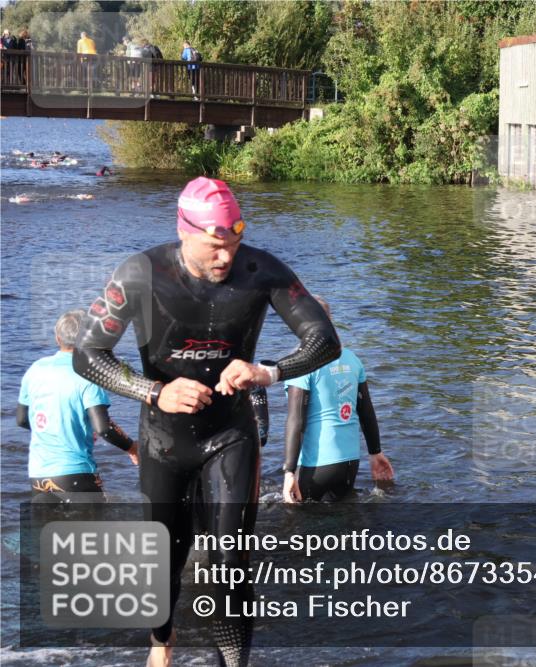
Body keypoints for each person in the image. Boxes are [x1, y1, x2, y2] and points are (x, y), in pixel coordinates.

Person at [73, 176, 341, 667]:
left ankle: (234, 662)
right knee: (165, 561)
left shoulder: (262, 270)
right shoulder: (140, 273)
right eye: (216, 247)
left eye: (234, 245)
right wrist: (154, 390)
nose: (226, 258)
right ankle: (161, 642)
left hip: (229, 434)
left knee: (231, 563)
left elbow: (325, 340)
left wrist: (267, 372)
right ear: (185, 232)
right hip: (164, 441)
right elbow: (88, 355)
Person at [17, 310, 137, 502]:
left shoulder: (35, 369)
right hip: (76, 474)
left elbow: (23, 419)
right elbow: (104, 428)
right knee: (91, 530)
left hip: (38, 475)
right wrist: (132, 448)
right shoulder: (87, 374)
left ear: (58, 338)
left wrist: (58, 430)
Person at [283, 296, 394, 503]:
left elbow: (296, 421)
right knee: (344, 522)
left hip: (317, 465)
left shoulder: (301, 362)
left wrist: (289, 471)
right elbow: (366, 411)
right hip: (350, 462)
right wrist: (375, 453)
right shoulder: (352, 359)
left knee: (298, 526)